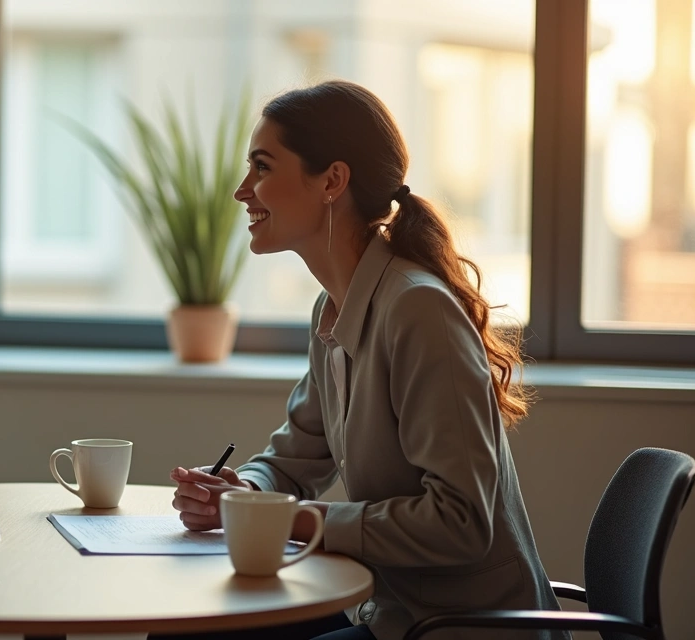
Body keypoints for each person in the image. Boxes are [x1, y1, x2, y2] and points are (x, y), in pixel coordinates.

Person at [165, 81, 567, 640]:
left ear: (332, 180)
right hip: (390, 613)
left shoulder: (418, 310)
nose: (241, 191)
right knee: (188, 630)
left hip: (459, 629)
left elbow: (461, 523)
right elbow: (295, 455)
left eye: (261, 167)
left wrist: (300, 521)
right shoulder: (334, 308)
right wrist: (243, 495)